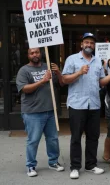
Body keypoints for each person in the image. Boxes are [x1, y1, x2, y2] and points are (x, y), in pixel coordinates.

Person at [62, 33, 110, 179]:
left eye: (92, 43)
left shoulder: (98, 61)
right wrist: (79, 72)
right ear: (81, 44)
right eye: (86, 42)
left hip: (93, 104)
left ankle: (91, 165)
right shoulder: (72, 59)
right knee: (76, 137)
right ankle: (75, 167)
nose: (89, 45)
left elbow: (101, 82)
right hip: (77, 104)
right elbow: (64, 79)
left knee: (93, 137)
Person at [16, 47, 65, 177]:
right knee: (33, 140)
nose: (35, 54)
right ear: (28, 55)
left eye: (37, 52)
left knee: (53, 139)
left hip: (50, 110)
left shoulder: (48, 67)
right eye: (32, 53)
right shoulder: (24, 70)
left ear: (41, 53)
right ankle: (31, 165)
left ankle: (53, 162)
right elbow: (25, 89)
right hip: (33, 112)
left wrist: (58, 73)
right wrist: (42, 80)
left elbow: (61, 83)